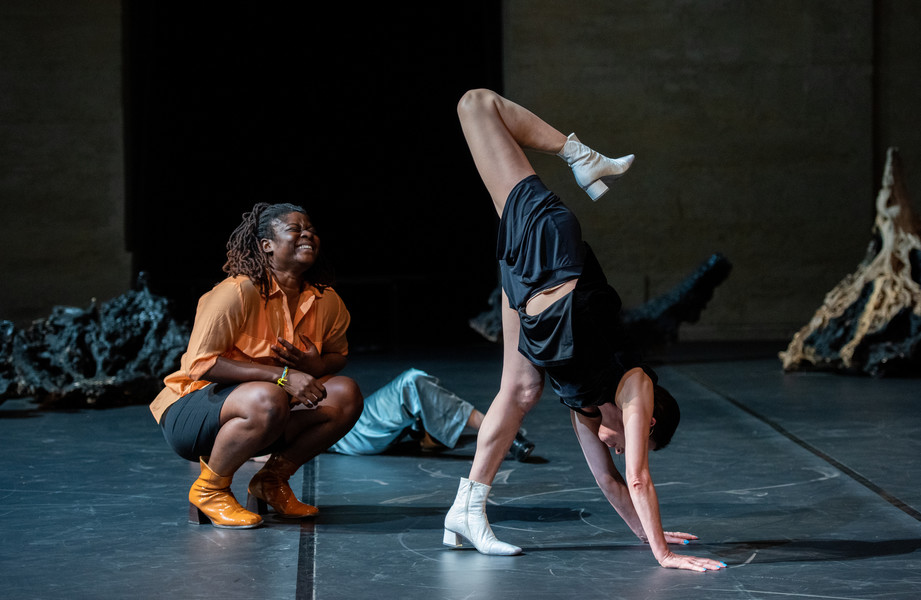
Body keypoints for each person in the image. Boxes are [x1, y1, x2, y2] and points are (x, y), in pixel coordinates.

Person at [441, 89, 727, 572]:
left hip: (524, 281)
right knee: (476, 104)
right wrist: (665, 555)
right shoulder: (635, 387)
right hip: (552, 254)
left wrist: (646, 533)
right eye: (631, 443)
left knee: (521, 389)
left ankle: (466, 510)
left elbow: (610, 481)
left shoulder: (586, 411)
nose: (619, 447)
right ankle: (581, 156)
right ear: (648, 423)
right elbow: (637, 478)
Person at [149, 202, 363, 529]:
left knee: (345, 394)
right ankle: (210, 489)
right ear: (267, 245)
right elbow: (200, 364)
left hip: (268, 412)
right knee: (268, 395)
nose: (307, 235)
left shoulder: (326, 300)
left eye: (311, 230)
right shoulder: (236, 292)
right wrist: (283, 375)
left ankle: (271, 481)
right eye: (295, 229)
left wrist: (315, 363)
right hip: (192, 411)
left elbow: (339, 356)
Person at [327, 368, 534, 460]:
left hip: (348, 415)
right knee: (412, 382)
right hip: (345, 431)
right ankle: (502, 433)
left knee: (417, 384)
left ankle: (424, 428)